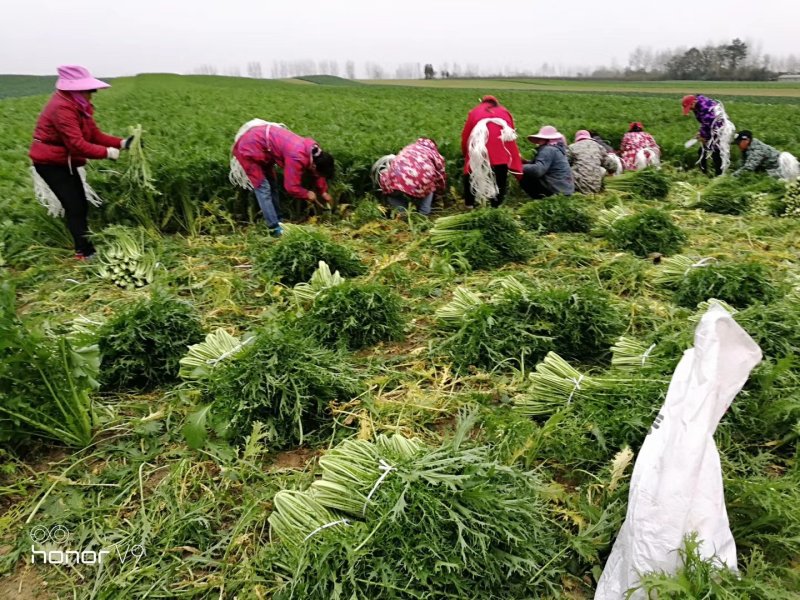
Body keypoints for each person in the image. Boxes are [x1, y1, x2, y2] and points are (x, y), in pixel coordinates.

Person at [29, 65, 133, 260]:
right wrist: (108, 153)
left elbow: (94, 135)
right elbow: (77, 145)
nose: (91, 95)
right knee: (74, 205)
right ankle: (84, 252)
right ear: (75, 89)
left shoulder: (79, 106)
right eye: (88, 91)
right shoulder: (62, 108)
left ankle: (85, 247)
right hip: (50, 163)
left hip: (64, 161)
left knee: (79, 205)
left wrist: (121, 143)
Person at [230, 120, 334, 236]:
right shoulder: (297, 157)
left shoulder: (315, 152)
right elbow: (291, 187)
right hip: (249, 148)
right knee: (263, 188)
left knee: (273, 184)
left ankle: (279, 221)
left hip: (264, 148)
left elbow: (318, 172)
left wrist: (323, 191)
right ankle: (274, 228)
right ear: (314, 165)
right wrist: (306, 194)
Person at [460, 95, 523, 208]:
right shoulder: (505, 111)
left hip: (481, 147)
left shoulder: (475, 111)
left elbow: (466, 135)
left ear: (482, 102)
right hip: (501, 148)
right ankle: (496, 205)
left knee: (470, 173)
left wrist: (466, 154)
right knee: (500, 175)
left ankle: (470, 204)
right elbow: (511, 134)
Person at [372, 138, 446, 217]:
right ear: (434, 146)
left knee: (391, 194)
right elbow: (440, 177)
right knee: (430, 186)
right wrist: (439, 193)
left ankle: (404, 214)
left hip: (396, 177)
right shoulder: (434, 154)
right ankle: (423, 214)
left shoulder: (409, 147)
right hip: (421, 179)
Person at [682, 94, 736, 177]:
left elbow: (709, 123)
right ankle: (704, 174)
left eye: (690, 106)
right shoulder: (697, 105)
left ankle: (719, 176)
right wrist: (700, 133)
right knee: (702, 151)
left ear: (694, 101)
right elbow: (705, 123)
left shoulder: (705, 108)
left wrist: (703, 136)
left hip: (720, 130)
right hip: (712, 128)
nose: (691, 109)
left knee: (716, 153)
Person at [520, 125, 575, 199]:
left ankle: (541, 199)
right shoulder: (556, 149)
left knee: (526, 175)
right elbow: (543, 164)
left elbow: (538, 170)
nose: (539, 141)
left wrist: (519, 167)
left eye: (541, 139)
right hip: (566, 190)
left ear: (547, 139)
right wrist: (525, 161)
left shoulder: (548, 149)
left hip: (557, 191)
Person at [732, 130, 800, 181]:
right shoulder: (746, 149)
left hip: (780, 169)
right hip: (768, 170)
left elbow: (748, 168)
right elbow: (743, 165)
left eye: (739, 143)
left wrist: (732, 176)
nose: (738, 145)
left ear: (746, 140)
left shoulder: (757, 150)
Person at [568, 130, 617, 194]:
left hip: (577, 186)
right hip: (596, 185)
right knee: (601, 170)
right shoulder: (598, 146)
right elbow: (612, 165)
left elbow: (564, 164)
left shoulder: (572, 147)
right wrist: (611, 172)